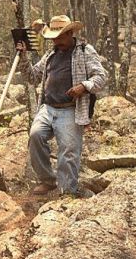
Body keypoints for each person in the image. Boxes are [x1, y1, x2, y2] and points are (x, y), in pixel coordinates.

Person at [16, 15, 107, 196]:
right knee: (35, 136)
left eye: (60, 37)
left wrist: (84, 86)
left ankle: (67, 192)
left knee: (68, 151)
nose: (57, 41)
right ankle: (47, 180)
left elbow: (101, 77)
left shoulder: (85, 51)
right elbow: (33, 76)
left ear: (70, 33)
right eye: (54, 38)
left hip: (70, 109)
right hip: (48, 107)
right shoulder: (51, 55)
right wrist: (23, 57)